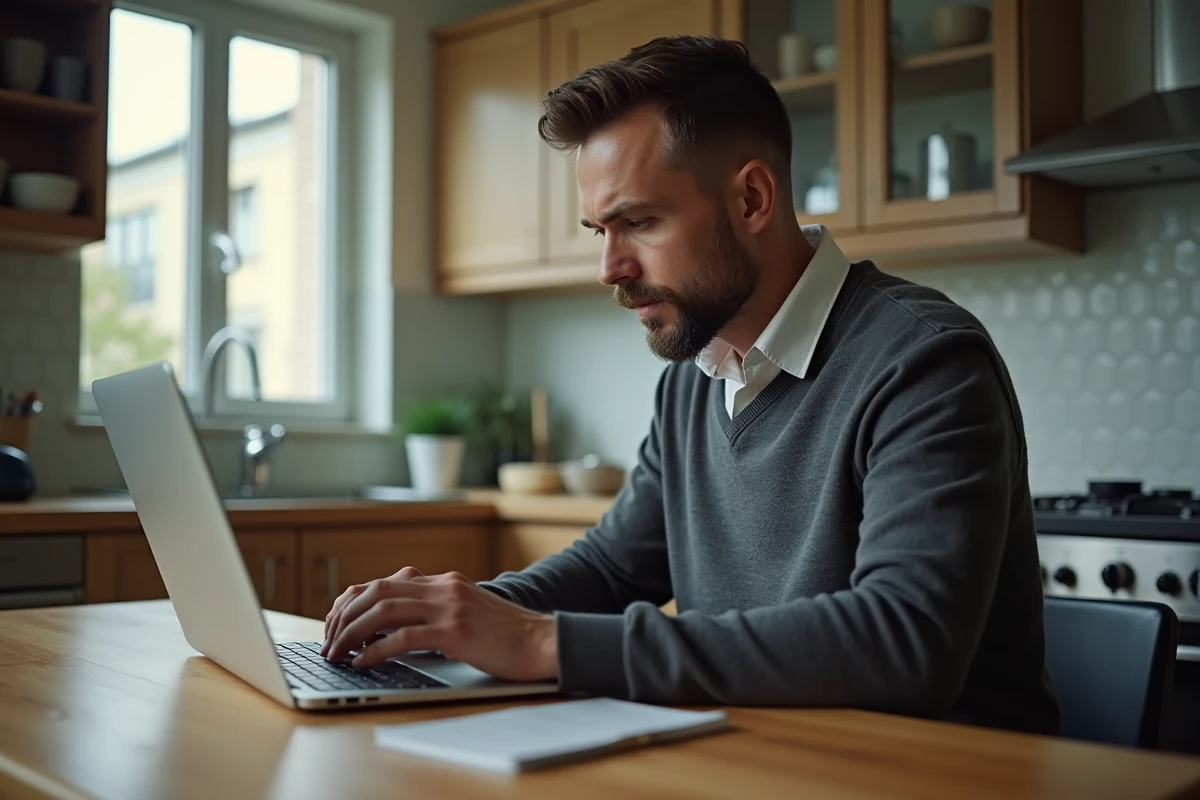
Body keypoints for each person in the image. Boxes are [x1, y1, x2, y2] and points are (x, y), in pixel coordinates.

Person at [322, 35, 1059, 734]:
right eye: (598, 231)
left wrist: (546, 644)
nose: (609, 268)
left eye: (637, 221)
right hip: (759, 758)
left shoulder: (924, 362)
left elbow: (905, 643)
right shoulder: (698, 375)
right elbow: (614, 567)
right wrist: (453, 614)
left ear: (751, 200)